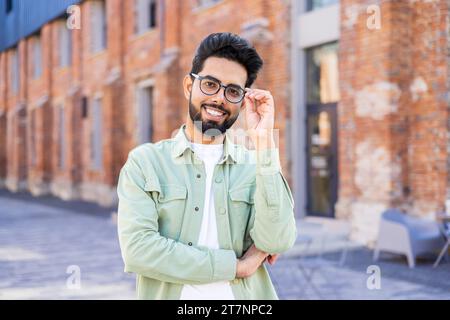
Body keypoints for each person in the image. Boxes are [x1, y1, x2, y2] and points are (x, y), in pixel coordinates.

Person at [117, 32, 297, 300]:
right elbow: (139, 250)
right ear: (189, 86)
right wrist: (237, 266)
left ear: (242, 100)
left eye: (233, 91)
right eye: (210, 84)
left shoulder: (255, 165)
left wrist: (264, 144)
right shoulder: (146, 163)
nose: (220, 98)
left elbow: (277, 241)